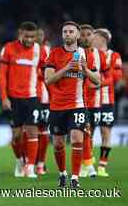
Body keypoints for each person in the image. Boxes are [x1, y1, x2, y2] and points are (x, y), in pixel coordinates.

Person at [44, 21, 100, 188]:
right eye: (65, 32)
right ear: (62, 35)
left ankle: (75, 178)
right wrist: (67, 67)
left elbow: (97, 81)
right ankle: (62, 174)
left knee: (77, 140)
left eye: (71, 32)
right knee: (59, 144)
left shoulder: (86, 54)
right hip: (56, 106)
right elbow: (48, 79)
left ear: (77, 35)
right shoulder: (54, 54)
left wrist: (85, 70)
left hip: (77, 105)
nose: (67, 34)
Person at [0, 21, 47, 178]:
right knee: (16, 136)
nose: (30, 40)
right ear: (20, 33)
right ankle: (20, 160)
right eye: (27, 36)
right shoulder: (9, 48)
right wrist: (4, 98)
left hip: (32, 97)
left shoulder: (40, 50)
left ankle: (30, 167)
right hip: (13, 99)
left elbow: (47, 72)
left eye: (33, 37)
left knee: (33, 131)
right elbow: (2, 75)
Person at [79, 24, 109, 178]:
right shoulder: (74, 53)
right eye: (82, 34)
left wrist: (97, 84)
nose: (85, 37)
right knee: (84, 133)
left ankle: (86, 163)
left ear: (93, 36)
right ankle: (87, 164)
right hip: (78, 101)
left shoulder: (100, 55)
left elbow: (108, 77)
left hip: (95, 102)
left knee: (89, 134)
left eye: (88, 34)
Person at [92, 28, 123, 177]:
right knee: (87, 132)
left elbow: (116, 77)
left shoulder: (114, 56)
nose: (92, 39)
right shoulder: (89, 55)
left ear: (102, 39)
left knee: (106, 133)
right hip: (90, 101)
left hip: (106, 101)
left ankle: (102, 166)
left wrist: (100, 84)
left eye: (94, 37)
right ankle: (87, 164)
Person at [35, 28, 51, 175]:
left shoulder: (47, 50)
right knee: (29, 131)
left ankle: (41, 162)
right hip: (29, 97)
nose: (39, 37)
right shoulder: (28, 50)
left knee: (43, 130)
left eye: (41, 34)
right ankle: (31, 161)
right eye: (37, 35)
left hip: (45, 97)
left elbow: (49, 73)